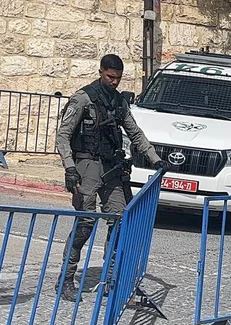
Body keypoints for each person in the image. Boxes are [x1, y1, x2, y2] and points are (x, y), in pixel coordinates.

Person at [54, 54, 171, 301]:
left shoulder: (119, 102)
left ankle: (110, 278)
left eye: (118, 78)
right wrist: (69, 167)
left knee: (120, 221)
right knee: (85, 225)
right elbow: (63, 135)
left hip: (111, 168)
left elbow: (135, 133)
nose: (114, 82)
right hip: (86, 166)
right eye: (110, 77)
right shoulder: (83, 98)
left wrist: (155, 159)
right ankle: (66, 279)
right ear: (100, 72)